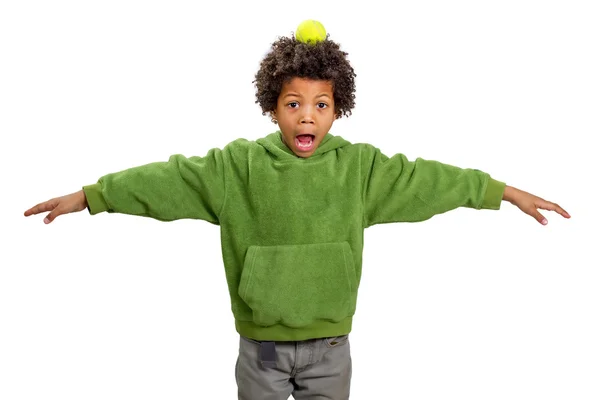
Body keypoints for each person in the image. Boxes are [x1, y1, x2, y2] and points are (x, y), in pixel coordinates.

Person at [24, 21, 570, 400]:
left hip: (331, 345)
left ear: (338, 108)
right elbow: (167, 181)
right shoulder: (236, 168)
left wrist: (501, 191)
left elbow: (427, 181)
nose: (307, 117)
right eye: (293, 104)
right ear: (273, 105)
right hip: (259, 347)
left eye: (321, 104)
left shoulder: (361, 170)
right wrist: (94, 196)